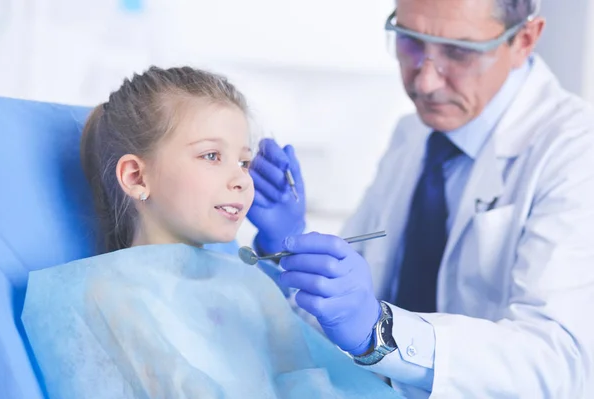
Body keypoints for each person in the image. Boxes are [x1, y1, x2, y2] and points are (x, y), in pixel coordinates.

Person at [248, 0, 594, 396]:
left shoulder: (577, 152)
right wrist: (286, 248)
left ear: (524, 40)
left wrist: (380, 331)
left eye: (459, 51)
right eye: (410, 41)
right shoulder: (412, 135)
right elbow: (337, 320)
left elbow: (559, 362)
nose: (425, 81)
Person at [21, 66, 401, 399]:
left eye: (244, 160)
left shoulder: (248, 287)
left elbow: (308, 379)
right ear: (136, 176)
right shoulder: (105, 295)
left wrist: (285, 241)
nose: (240, 178)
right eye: (211, 156)